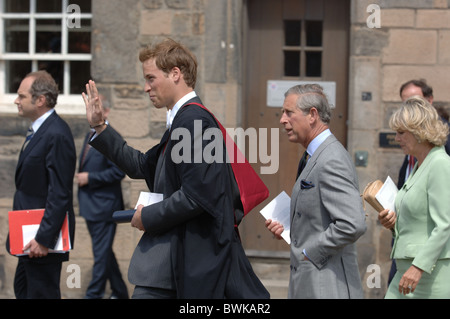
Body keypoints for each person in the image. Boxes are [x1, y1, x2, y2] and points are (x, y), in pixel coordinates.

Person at [82, 38, 269, 299]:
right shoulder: (183, 120)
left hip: (189, 260)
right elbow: (141, 166)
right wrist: (100, 127)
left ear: (175, 74)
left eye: (150, 78)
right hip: (174, 261)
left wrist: (146, 217)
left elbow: (196, 196)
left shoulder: (193, 121)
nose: (146, 87)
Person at [265, 84, 366, 298]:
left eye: (289, 113)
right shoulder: (313, 154)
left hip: (327, 286)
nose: (282, 119)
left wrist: (309, 253)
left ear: (312, 115)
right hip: (311, 282)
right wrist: (289, 228)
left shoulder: (331, 159)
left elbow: (352, 224)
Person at [8, 70, 76, 298]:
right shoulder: (39, 131)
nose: (16, 101)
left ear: (40, 100)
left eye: (21, 96)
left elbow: (59, 193)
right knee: (23, 291)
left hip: (41, 242)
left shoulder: (56, 133)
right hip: (28, 238)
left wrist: (43, 239)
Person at [379, 96, 450, 298]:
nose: (397, 138)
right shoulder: (419, 165)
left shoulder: (440, 164)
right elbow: (417, 219)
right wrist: (392, 222)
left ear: (420, 131)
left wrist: (418, 267)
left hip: (428, 275)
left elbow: (445, 224)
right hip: (405, 272)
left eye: (401, 133)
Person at [76, 96, 129, 299]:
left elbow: (118, 172)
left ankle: (93, 294)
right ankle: (120, 292)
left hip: (104, 207)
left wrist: (90, 177)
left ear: (105, 112)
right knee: (105, 253)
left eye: (96, 108)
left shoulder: (111, 138)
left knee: (100, 255)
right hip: (91, 206)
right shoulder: (89, 135)